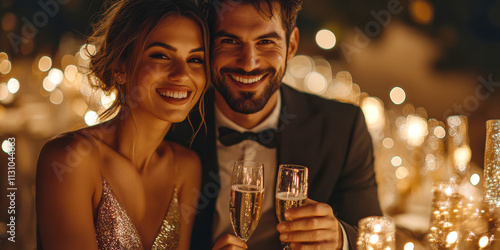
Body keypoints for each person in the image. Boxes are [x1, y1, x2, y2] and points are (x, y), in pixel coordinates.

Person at [166, 0, 383, 249]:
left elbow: (373, 236)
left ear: (291, 45)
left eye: (266, 42)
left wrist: (339, 239)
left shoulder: (342, 127)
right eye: (230, 41)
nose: (248, 63)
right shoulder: (173, 124)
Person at [35, 0, 208, 249]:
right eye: (160, 55)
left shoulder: (186, 168)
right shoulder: (71, 160)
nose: (182, 74)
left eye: (195, 59)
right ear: (120, 68)